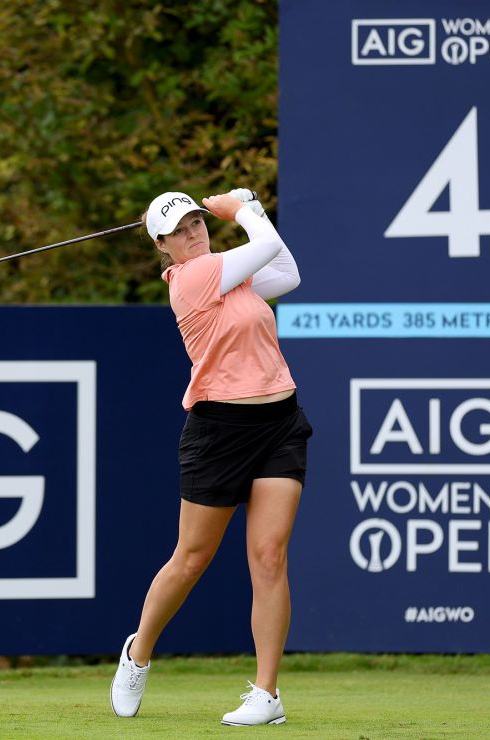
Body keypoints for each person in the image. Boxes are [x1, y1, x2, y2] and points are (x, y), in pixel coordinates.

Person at [110, 188, 311, 726]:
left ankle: (266, 695)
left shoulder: (232, 276)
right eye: (179, 230)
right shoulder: (194, 279)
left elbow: (287, 272)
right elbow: (264, 245)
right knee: (192, 559)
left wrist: (257, 210)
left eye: (198, 222)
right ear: (162, 245)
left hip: (280, 423)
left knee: (269, 557)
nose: (194, 232)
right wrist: (238, 208)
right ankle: (138, 653)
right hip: (219, 432)